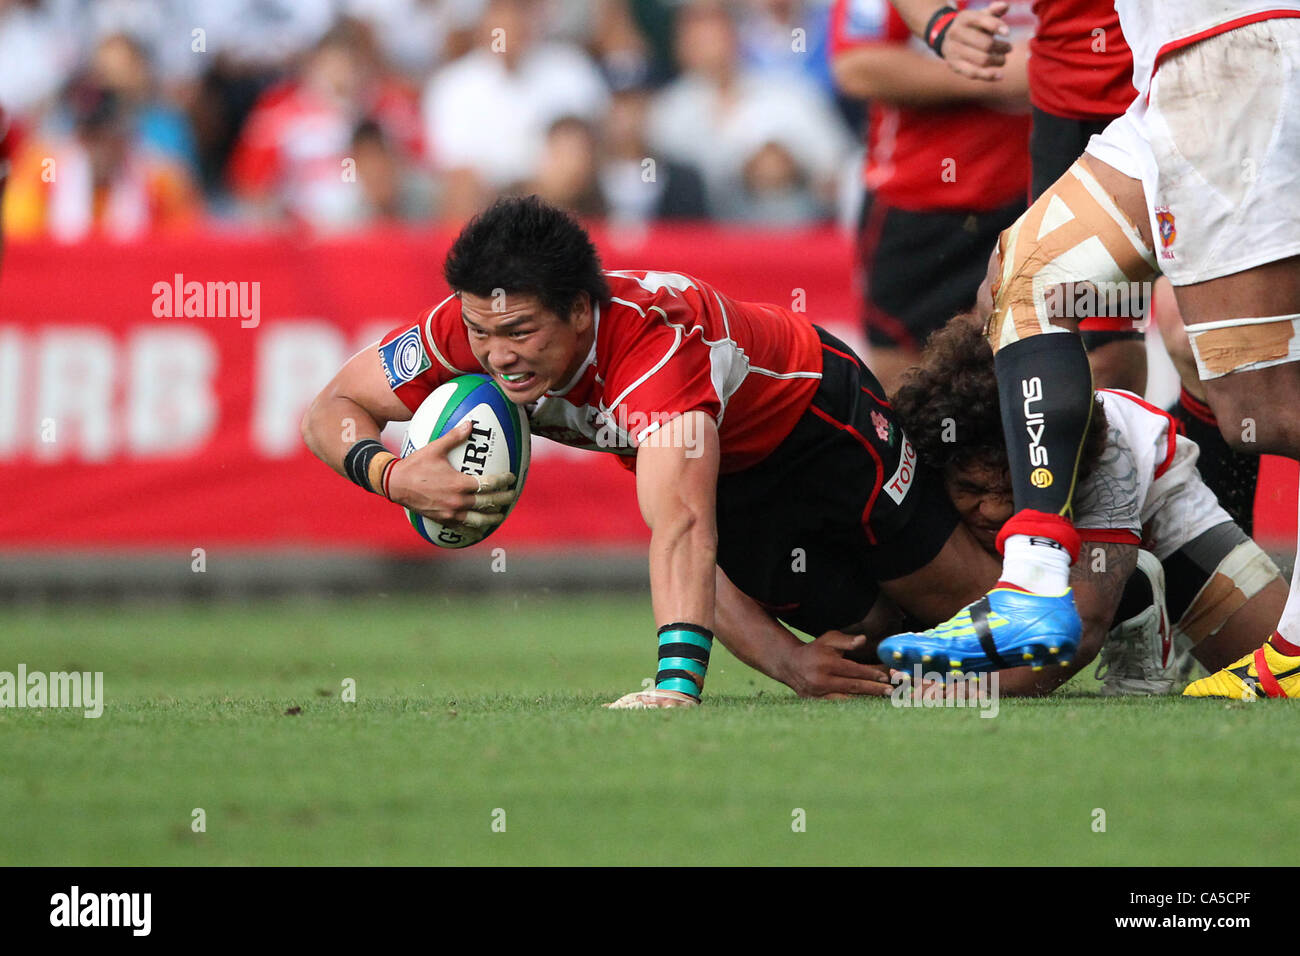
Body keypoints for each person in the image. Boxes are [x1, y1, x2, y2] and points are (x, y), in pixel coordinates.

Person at [301, 195, 1004, 708]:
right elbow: (329, 409)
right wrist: (390, 475)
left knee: (986, 627)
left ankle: (1109, 590)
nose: (498, 357)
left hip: (821, 424)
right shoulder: (462, 333)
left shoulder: (652, 348)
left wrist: (675, 690)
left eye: (519, 331)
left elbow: (683, 527)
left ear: (581, 310)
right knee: (878, 644)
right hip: (733, 484)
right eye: (482, 332)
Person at [878, 0, 1300, 702]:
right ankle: (1034, 579)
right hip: (1170, 73)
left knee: (1266, 413)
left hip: (1234, 52)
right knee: (1026, 278)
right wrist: (942, 22)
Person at [887, 318, 1287, 696]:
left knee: (1284, 667)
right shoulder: (925, 451)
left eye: (1011, 490)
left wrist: (983, 689)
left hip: (1158, 516)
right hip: (1041, 543)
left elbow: (1083, 626)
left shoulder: (1107, 453)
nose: (991, 510)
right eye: (970, 488)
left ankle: (1135, 596)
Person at [828, 0, 1032, 392]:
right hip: (917, 207)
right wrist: (991, 73)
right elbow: (856, 66)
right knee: (905, 387)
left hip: (1030, 202)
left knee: (1029, 374)